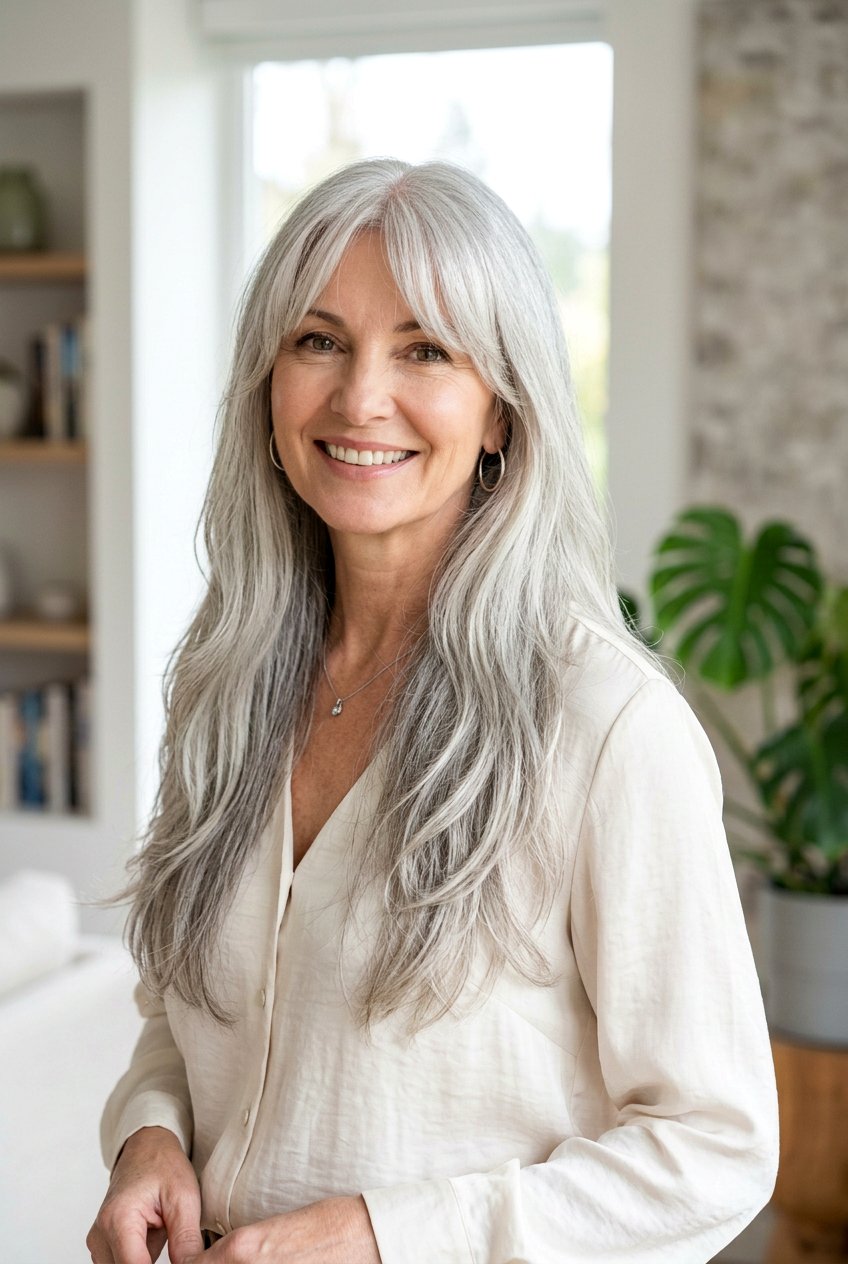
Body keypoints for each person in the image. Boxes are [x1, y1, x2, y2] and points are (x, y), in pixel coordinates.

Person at [87, 158, 778, 1264]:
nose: (361, 397)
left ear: (501, 409)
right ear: (266, 387)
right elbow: (184, 1013)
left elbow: (716, 1145)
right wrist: (150, 1139)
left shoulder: (605, 728)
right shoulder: (222, 682)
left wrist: (384, 1236)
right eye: (318, 340)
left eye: (424, 350)